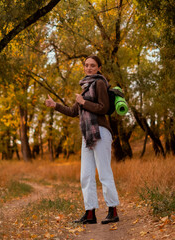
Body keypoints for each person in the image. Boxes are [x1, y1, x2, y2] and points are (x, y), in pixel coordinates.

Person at [45, 55, 120, 224]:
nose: (89, 68)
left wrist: (84, 102)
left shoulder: (100, 83)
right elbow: (73, 112)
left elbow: (104, 107)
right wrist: (55, 105)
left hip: (100, 131)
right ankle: (90, 213)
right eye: (86, 65)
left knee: (104, 173)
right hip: (88, 134)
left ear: (99, 68)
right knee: (85, 175)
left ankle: (113, 210)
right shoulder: (85, 87)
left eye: (93, 65)